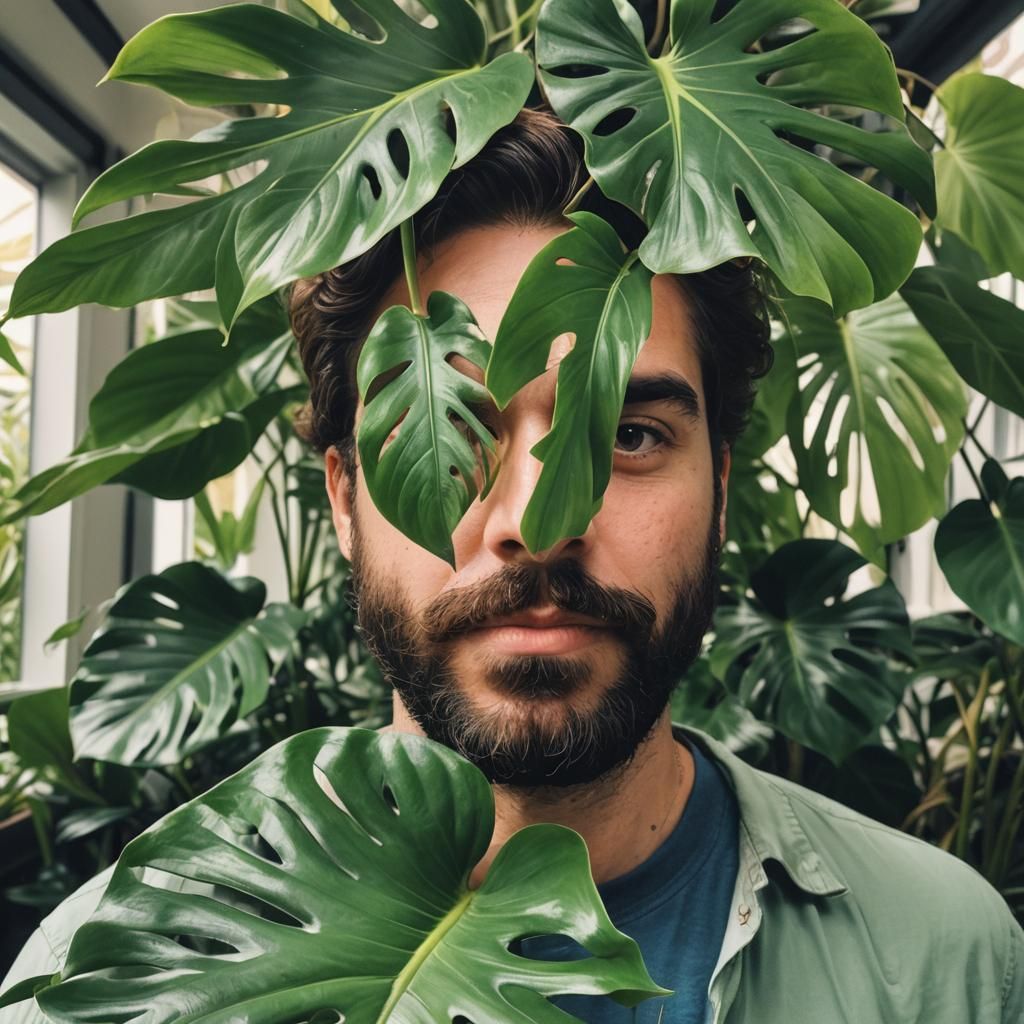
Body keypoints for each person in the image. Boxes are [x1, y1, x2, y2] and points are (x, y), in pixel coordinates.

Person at [3, 109, 1021, 1023]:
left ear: (718, 487)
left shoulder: (949, 966)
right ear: (345, 499)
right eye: (447, 428)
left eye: (628, 435)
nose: (538, 521)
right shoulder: (108, 987)